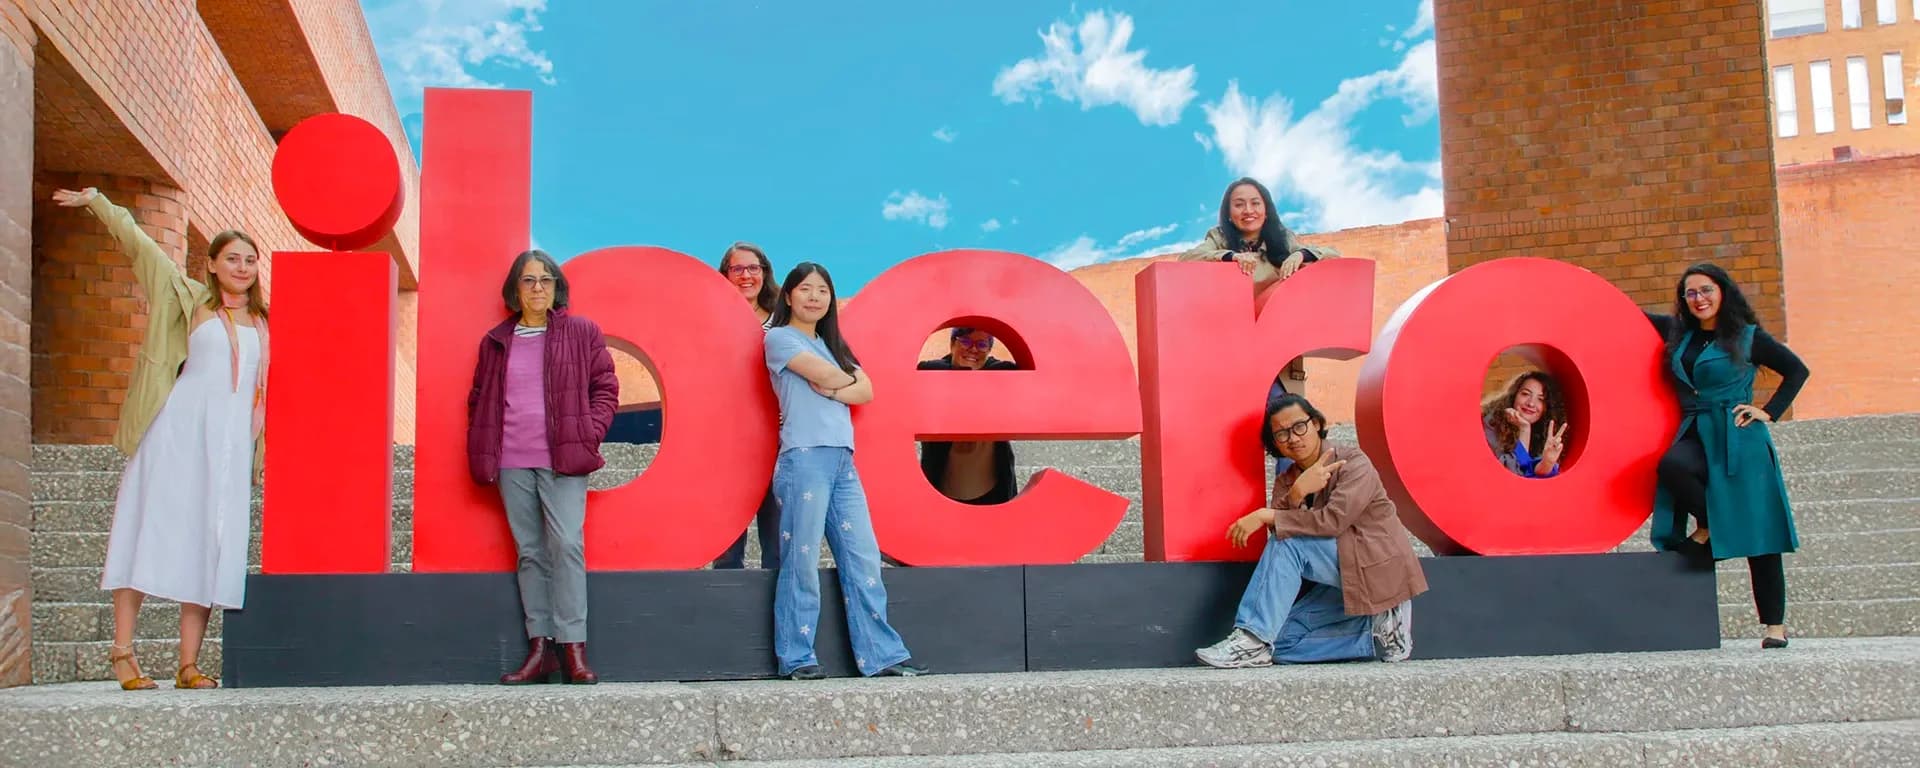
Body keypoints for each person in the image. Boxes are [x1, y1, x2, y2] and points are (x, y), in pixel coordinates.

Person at [53, 187, 269, 691]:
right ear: (211, 264)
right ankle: (122, 651)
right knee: (144, 530)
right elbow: (140, 247)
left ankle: (188, 663)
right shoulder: (187, 298)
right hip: (177, 434)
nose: (243, 267)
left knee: (212, 544)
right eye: (232, 259)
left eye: (251, 260)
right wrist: (99, 202)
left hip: (230, 446)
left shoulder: (264, 321)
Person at [764, 262, 927, 679]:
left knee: (863, 558)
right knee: (800, 559)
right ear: (788, 295)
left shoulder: (833, 343)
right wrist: (844, 385)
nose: (815, 297)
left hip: (842, 460)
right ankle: (797, 657)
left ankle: (882, 655)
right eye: (805, 289)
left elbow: (867, 390)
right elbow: (836, 379)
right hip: (804, 457)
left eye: (822, 290)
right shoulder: (780, 339)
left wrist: (837, 385)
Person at [467, 249, 619, 684]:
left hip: (563, 458)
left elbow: (606, 387)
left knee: (567, 546)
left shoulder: (581, 332)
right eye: (529, 281)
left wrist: (589, 430)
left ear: (557, 287)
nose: (538, 288)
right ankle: (540, 648)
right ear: (515, 288)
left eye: (546, 280)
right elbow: (479, 397)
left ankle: (574, 649)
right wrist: (483, 440)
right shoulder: (496, 341)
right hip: (511, 460)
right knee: (530, 554)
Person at [1196, 394, 1426, 668]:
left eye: (1299, 426)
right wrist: (1297, 493)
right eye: (1281, 434)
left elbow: (1332, 521)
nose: (1292, 438)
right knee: (1280, 645)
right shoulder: (1287, 481)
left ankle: (1252, 639)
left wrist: (1266, 514)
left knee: (1288, 544)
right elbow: (1281, 543)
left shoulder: (1352, 462)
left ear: (1316, 424)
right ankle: (1374, 627)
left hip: (1376, 566)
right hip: (1341, 579)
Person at [1645, 263, 1808, 649]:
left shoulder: (1748, 336)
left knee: (1760, 532)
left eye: (1706, 290)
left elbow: (1796, 370)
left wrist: (1768, 411)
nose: (1699, 299)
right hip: (1696, 430)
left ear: (1722, 292)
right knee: (1672, 466)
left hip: (1739, 436)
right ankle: (1715, 524)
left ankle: (1774, 628)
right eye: (1691, 293)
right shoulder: (1678, 334)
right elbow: (1624, 314)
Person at [1179, 177, 1340, 400]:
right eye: (1239, 204)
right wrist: (1230, 256)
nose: (1248, 210)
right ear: (1228, 212)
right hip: (1232, 344)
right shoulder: (1219, 238)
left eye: (1255, 203)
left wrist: (1301, 254)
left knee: (1282, 411)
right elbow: (1187, 259)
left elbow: (1335, 257)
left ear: (1266, 209)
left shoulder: (1284, 239)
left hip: (1277, 346)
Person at [713, 242, 783, 570]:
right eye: (737, 269)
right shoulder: (711, 323)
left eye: (753, 268)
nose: (746, 276)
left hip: (778, 445)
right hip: (729, 445)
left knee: (779, 543)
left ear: (764, 274)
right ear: (724, 275)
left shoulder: (783, 321)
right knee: (726, 548)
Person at [917, 327, 1020, 506]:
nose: (973, 349)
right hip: (944, 479)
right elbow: (929, 369)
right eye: (965, 341)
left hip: (991, 483)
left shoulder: (999, 371)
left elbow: (1011, 369)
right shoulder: (931, 371)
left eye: (981, 345)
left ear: (989, 350)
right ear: (951, 344)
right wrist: (964, 373)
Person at [1481, 371, 1570, 478]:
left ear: (1547, 407)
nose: (1531, 403)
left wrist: (1547, 463)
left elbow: (1533, 476)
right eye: (1525, 394)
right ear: (1514, 395)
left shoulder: (1545, 432)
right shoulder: (1491, 424)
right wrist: (1524, 429)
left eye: (1541, 399)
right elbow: (1511, 476)